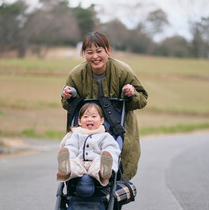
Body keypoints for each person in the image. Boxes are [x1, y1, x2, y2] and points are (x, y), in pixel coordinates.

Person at [61, 31, 148, 180]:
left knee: (116, 150)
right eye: (89, 52)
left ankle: (104, 171)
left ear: (108, 50)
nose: (95, 56)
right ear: (84, 54)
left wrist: (132, 93)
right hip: (86, 126)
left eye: (99, 51)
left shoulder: (123, 71)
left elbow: (142, 99)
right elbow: (66, 104)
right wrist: (67, 96)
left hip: (117, 126)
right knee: (73, 144)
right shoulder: (76, 74)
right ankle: (72, 170)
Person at [57, 102, 120, 186]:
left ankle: (103, 171)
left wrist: (108, 157)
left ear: (101, 121)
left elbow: (111, 149)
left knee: (98, 164)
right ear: (79, 121)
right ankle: (66, 169)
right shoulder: (76, 135)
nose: (89, 119)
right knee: (73, 164)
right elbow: (71, 147)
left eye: (94, 116)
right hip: (80, 162)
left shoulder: (105, 136)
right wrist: (69, 158)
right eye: (85, 117)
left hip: (95, 162)